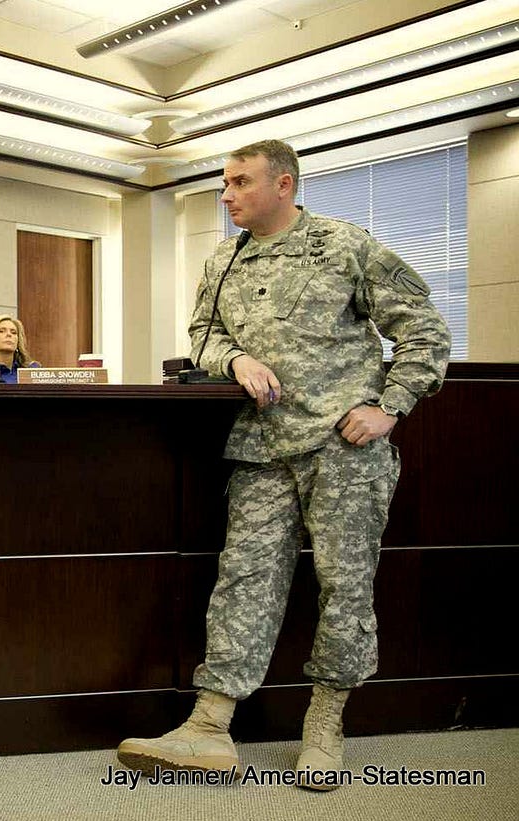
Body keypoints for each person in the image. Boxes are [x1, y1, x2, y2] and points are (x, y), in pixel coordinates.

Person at [115, 140, 450, 790]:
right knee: (243, 581)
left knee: (344, 584)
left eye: (240, 181)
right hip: (261, 447)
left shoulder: (345, 245)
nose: (227, 193)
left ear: (283, 185)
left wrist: (389, 406)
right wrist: (235, 360)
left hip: (343, 447)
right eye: (225, 182)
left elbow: (427, 331)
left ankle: (325, 726)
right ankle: (209, 726)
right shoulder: (224, 259)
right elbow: (205, 337)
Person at [0, 314, 40, 383]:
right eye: (1, 331)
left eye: (13, 332)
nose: (9, 334)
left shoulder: (31, 370)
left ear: (18, 342)